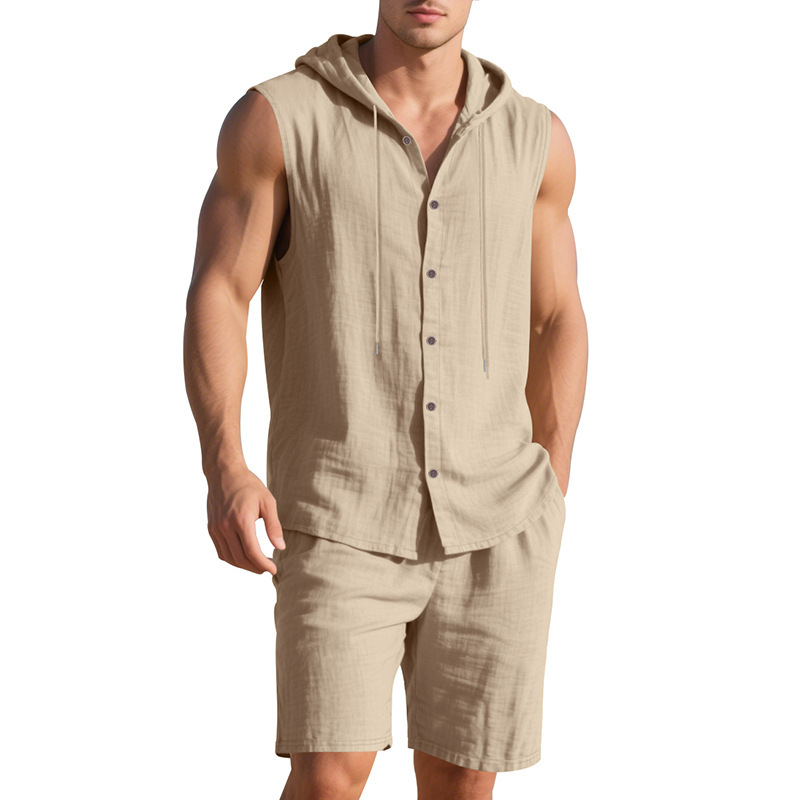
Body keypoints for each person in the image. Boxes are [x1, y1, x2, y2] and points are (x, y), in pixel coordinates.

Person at [184, 1, 587, 797]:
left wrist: (552, 478)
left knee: (462, 782)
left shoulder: (536, 138)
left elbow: (556, 315)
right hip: (341, 510)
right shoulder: (279, 118)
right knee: (329, 778)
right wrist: (224, 464)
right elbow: (221, 291)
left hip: (497, 518)